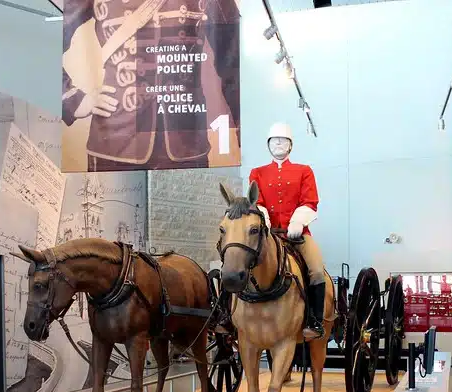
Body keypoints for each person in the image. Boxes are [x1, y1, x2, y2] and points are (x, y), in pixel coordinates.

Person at [62, 0, 240, 171]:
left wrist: (246, 134)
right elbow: (43, 39)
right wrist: (73, 100)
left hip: (187, 145)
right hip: (115, 143)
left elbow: (234, 61)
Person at [248, 122, 326, 340]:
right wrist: (264, 222)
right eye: (274, 140)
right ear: (268, 145)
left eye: (283, 140)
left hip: (298, 235)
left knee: (316, 270)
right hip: (269, 235)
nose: (279, 144)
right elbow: (257, 202)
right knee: (239, 261)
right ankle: (228, 318)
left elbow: (310, 201)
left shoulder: (304, 171)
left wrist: (298, 222)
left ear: (291, 145)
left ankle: (314, 321)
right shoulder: (258, 172)